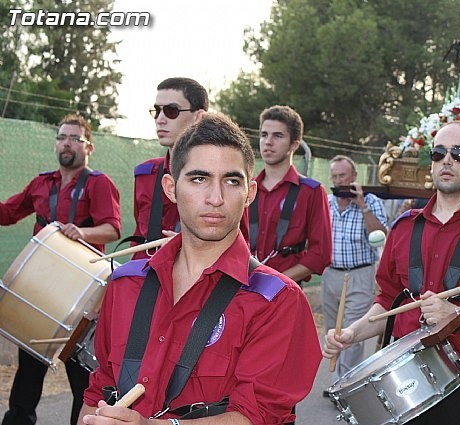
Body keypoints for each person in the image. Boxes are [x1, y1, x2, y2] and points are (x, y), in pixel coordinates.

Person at [78, 113, 322, 425]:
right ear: (170, 188)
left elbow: (257, 416)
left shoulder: (277, 301)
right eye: (198, 179)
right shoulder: (125, 284)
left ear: (249, 193)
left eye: (232, 181)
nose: (215, 198)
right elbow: (100, 388)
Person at [324, 121, 460, 424]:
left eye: (459, 154)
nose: (447, 160)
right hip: (403, 375)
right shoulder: (404, 227)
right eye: (439, 153)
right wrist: (351, 334)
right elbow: (387, 302)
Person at [0, 114, 121, 425]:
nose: (67, 143)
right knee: (30, 370)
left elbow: (111, 228)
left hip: (82, 297)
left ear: (88, 146)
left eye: (74, 138)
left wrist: (82, 233)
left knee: (81, 377)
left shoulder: (99, 183)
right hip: (41, 291)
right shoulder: (42, 183)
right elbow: (8, 213)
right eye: (62, 137)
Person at [247, 105, 332, 284]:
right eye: (264, 135)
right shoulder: (246, 188)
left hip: (285, 291)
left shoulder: (312, 191)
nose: (268, 142)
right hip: (242, 286)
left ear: (294, 143)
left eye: (278, 136)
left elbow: (321, 254)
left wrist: (276, 281)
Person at [322, 155, 388, 384]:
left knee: (351, 331)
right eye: (335, 176)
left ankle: (345, 383)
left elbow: (379, 237)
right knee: (333, 331)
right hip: (330, 274)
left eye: (343, 176)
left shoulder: (371, 202)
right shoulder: (326, 202)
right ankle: (340, 378)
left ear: (354, 177)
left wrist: (363, 206)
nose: (339, 181)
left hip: (359, 274)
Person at [130, 77, 208, 259]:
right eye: (156, 111)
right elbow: (139, 237)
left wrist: (193, 247)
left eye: (171, 111)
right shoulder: (145, 173)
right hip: (144, 279)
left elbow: (239, 246)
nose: (160, 119)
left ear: (199, 117)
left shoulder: (221, 177)